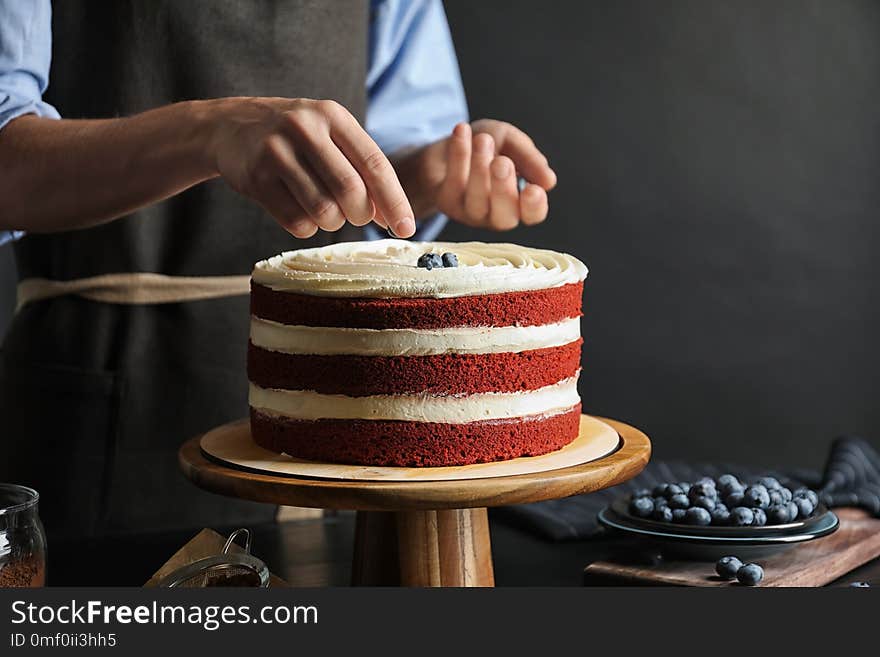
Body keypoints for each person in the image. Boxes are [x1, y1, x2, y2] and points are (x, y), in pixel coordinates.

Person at [0, 0, 557, 543]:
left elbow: (374, 177)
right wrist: (208, 130)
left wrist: (429, 177)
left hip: (343, 431)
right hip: (95, 416)